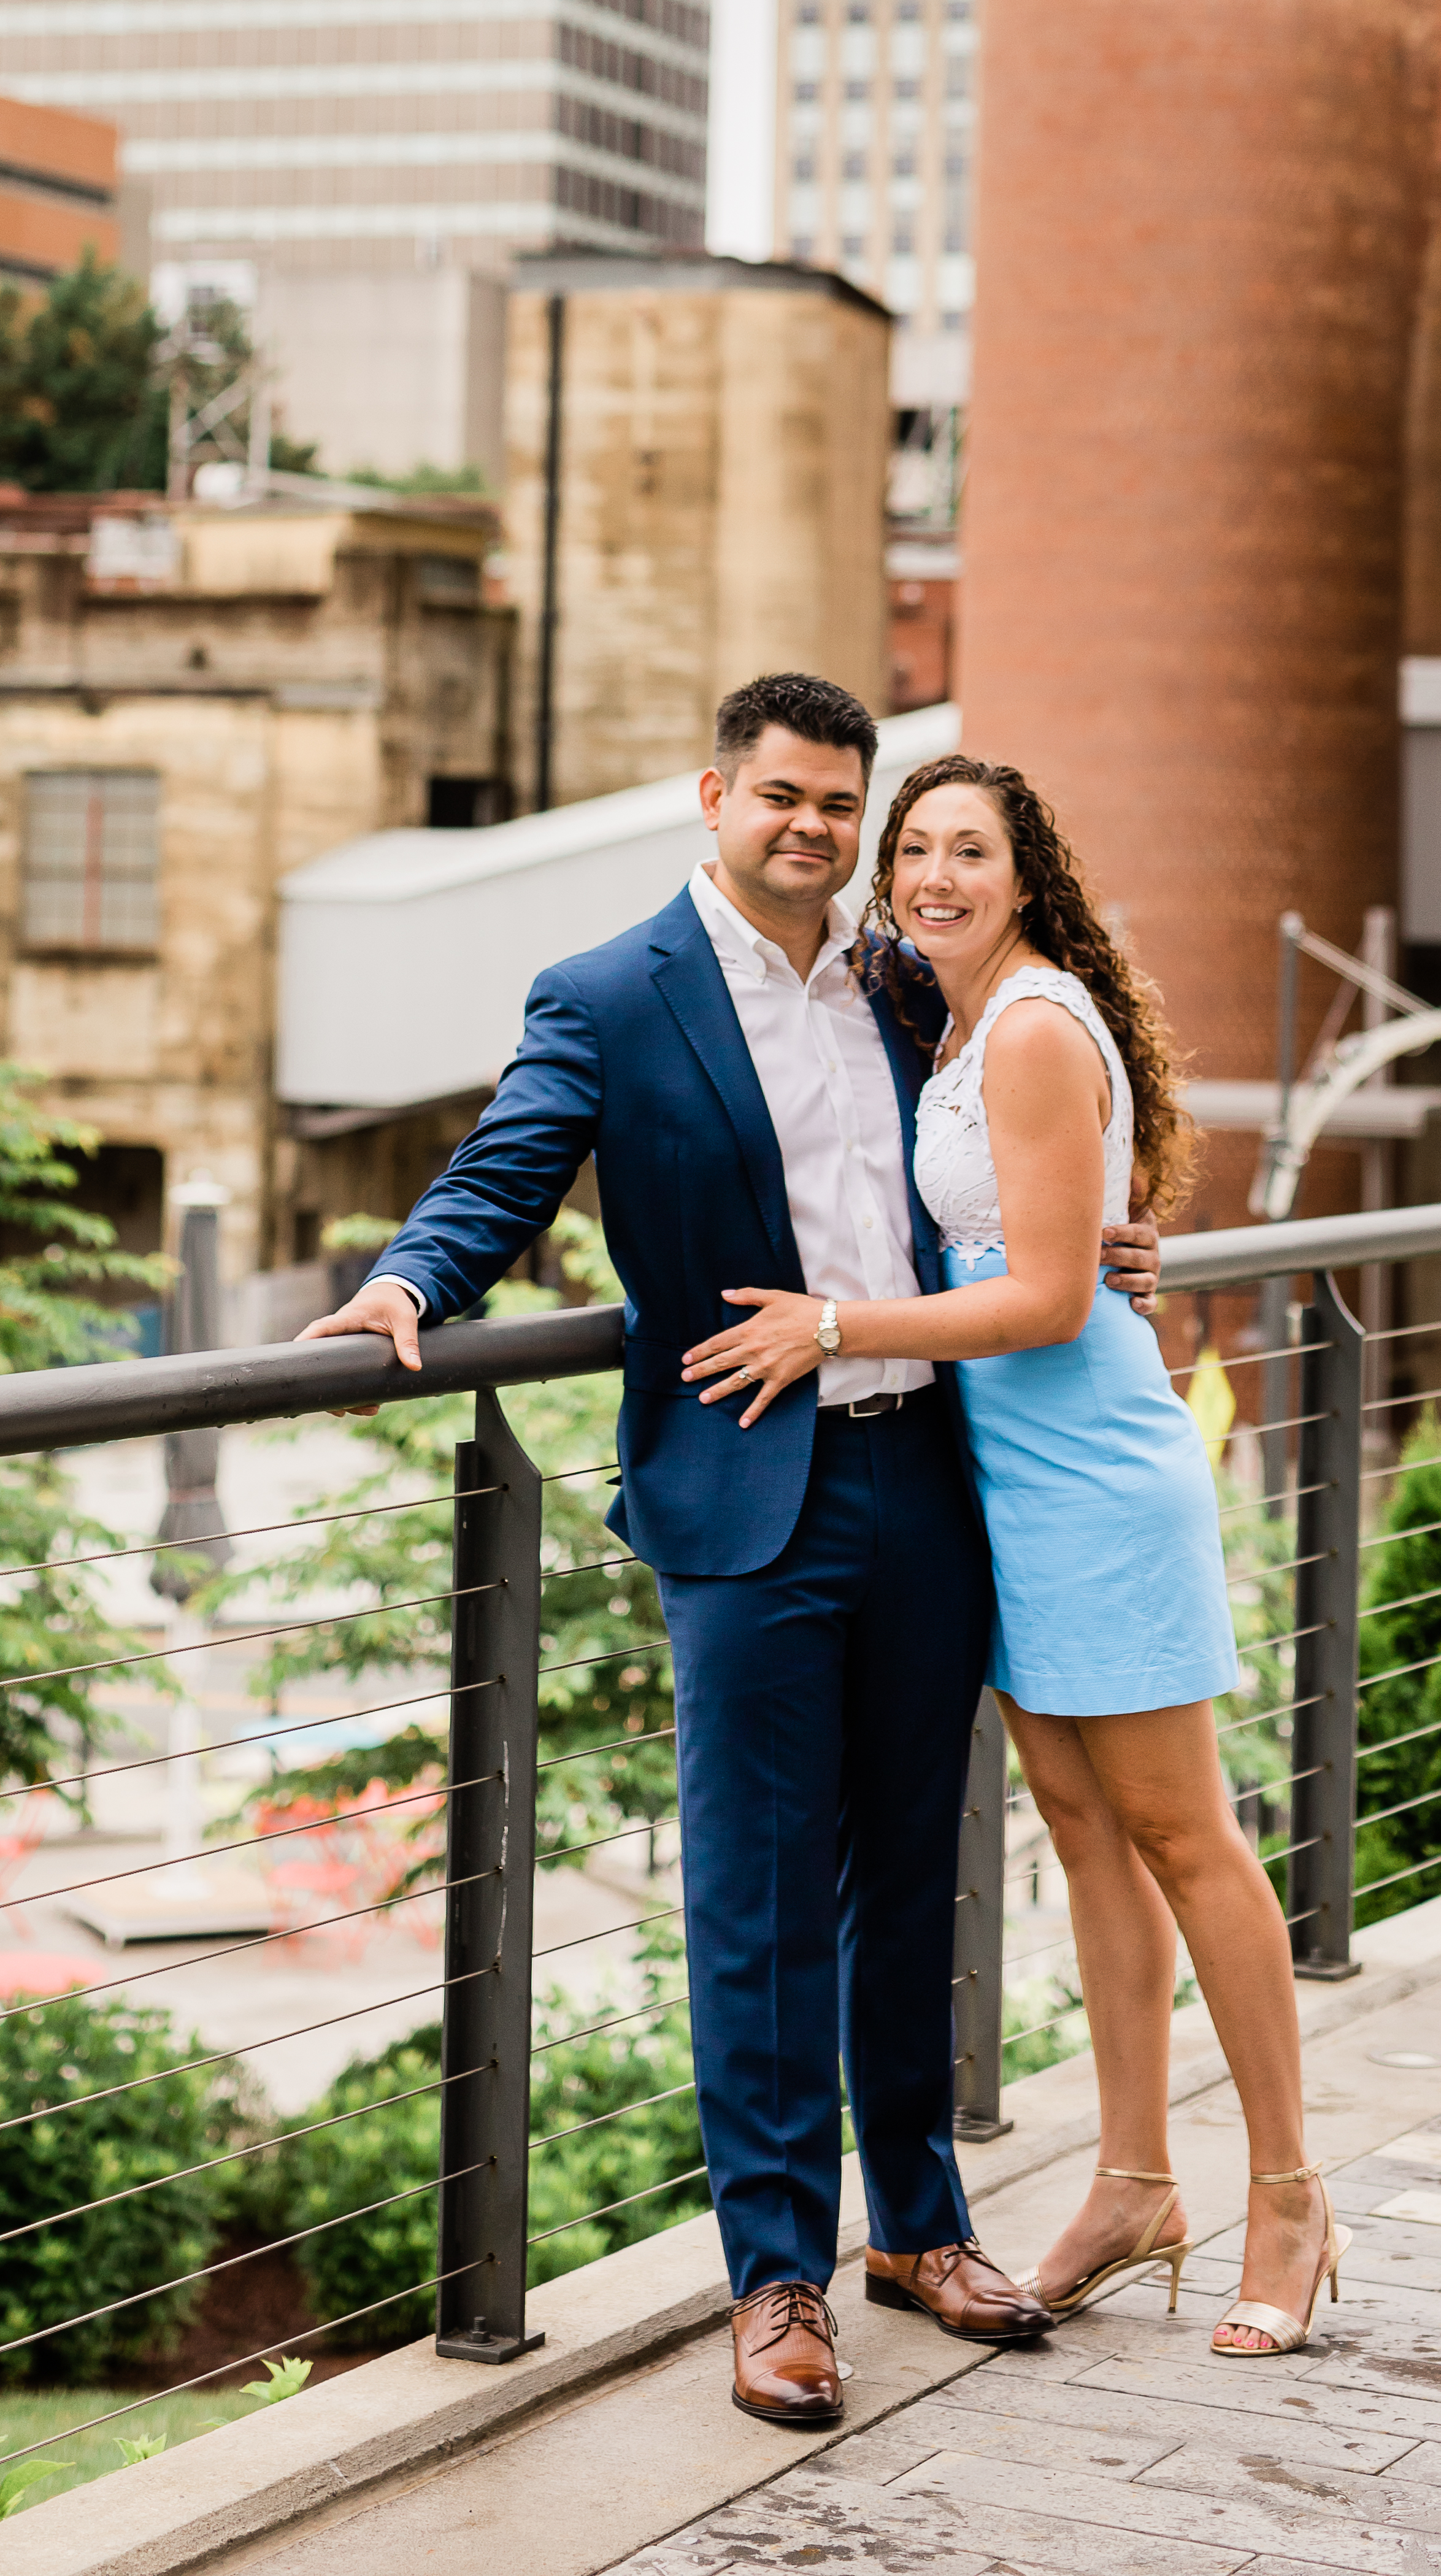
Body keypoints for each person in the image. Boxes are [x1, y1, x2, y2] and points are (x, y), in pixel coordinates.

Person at [290, 675, 1170, 2429]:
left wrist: (1102, 1245)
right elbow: (504, 1169)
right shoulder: (612, 994)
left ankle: (919, 2227)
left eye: (841, 806)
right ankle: (779, 2277)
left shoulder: (916, 984)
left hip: (928, 1471)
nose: (817, 833)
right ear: (714, 797)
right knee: (760, 1898)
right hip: (742, 1494)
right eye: (785, 798)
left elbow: (1008, 1171)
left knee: (917, 1869)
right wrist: (405, 1286)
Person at [682, 749, 1343, 2361]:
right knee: (1082, 1831)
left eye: (967, 851)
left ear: (1027, 878)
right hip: (1002, 1490)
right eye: (912, 850)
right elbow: (1030, 1240)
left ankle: (1291, 2196)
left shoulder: (1037, 1027)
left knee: (1186, 1837)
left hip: (1096, 1485)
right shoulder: (959, 1021)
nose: (931, 877)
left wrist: (835, 1326)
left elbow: (1049, 1301)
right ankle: (1132, 2182)